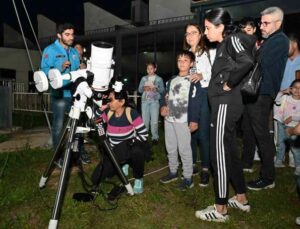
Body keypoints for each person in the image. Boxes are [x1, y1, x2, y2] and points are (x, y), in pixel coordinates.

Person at [195, 8, 253, 222]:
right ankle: (241, 197)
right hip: (223, 105)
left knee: (217, 153)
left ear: (221, 27)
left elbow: (246, 61)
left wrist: (229, 83)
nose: (206, 32)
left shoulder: (231, 40)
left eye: (208, 28)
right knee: (228, 151)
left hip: (225, 105)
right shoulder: (223, 45)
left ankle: (220, 208)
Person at [246, 6, 289, 191]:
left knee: (261, 134)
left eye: (266, 23)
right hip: (258, 92)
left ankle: (268, 177)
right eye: (260, 22)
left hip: (263, 93)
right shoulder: (270, 39)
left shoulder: (279, 40)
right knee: (257, 132)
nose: (261, 26)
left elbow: (259, 61)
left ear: (278, 23)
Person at [41, 23, 90, 166]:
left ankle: (79, 153)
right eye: (67, 34)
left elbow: (77, 73)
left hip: (75, 95)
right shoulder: (49, 50)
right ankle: (58, 157)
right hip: (60, 95)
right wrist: (59, 68)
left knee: (79, 125)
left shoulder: (75, 52)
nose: (71, 37)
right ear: (59, 35)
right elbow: (43, 71)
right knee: (58, 126)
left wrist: (83, 69)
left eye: (72, 34)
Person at [91, 88, 149, 194]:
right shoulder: (108, 112)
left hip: (129, 148)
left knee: (138, 150)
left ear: (121, 102)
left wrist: (127, 145)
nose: (109, 102)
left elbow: (144, 135)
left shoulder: (131, 113)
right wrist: (100, 110)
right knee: (95, 179)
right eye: (109, 99)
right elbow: (95, 121)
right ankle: (123, 164)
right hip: (114, 151)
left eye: (111, 100)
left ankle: (138, 178)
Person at [159, 50, 201, 191]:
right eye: (179, 60)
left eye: (185, 60)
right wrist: (163, 106)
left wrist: (194, 120)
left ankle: (188, 177)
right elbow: (164, 96)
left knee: (184, 149)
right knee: (170, 147)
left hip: (183, 120)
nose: (182, 63)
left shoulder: (193, 80)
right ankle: (173, 172)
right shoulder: (171, 80)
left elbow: (196, 102)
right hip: (169, 119)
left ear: (191, 63)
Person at [183, 23, 216, 186]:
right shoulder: (186, 54)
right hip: (190, 95)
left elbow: (217, 73)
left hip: (204, 93)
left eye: (193, 32)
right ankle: (192, 164)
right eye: (187, 33)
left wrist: (202, 75)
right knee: (190, 131)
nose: (189, 36)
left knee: (203, 133)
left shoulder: (209, 52)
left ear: (201, 34)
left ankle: (205, 168)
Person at [238, 17, 261, 173]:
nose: (245, 34)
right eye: (242, 31)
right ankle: (245, 160)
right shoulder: (239, 47)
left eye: (248, 30)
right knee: (243, 127)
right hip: (240, 92)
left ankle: (251, 161)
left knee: (254, 128)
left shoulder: (260, 47)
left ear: (254, 30)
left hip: (255, 93)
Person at [274, 33, 300, 168]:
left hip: (297, 101)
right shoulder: (282, 59)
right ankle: (279, 156)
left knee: (295, 128)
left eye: (287, 45)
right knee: (279, 128)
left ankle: (293, 158)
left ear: (294, 44)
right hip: (281, 97)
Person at [274, 79, 300, 175]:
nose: (297, 90)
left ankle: (298, 166)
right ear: (291, 88)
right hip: (282, 124)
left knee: (295, 148)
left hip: (294, 128)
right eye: (295, 87)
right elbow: (277, 101)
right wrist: (282, 92)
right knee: (281, 144)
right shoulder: (285, 97)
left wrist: (292, 117)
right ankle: (278, 162)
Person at [138, 62, 165, 145]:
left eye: (151, 68)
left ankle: (155, 138)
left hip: (154, 101)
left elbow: (163, 90)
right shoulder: (143, 78)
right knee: (145, 120)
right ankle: (144, 137)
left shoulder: (159, 79)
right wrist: (144, 88)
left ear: (155, 69)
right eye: (148, 69)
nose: (149, 70)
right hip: (145, 101)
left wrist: (156, 89)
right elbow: (139, 90)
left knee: (154, 121)